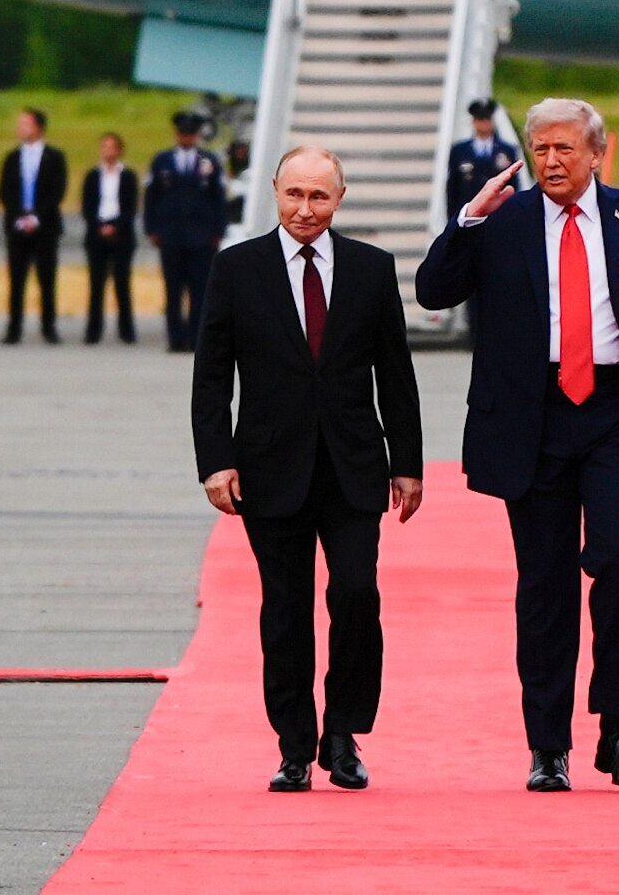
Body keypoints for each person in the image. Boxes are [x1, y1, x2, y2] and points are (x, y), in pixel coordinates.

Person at [414, 97, 619, 792]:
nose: (551, 161)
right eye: (540, 149)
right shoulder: (504, 222)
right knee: (543, 586)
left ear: (597, 153)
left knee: (616, 564)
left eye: (565, 149)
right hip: (532, 417)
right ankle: (548, 745)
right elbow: (433, 290)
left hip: (618, 413)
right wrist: (467, 220)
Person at [191, 145, 424, 792]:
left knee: (356, 594)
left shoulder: (372, 270)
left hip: (353, 469)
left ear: (339, 199)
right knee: (285, 609)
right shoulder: (237, 269)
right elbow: (212, 377)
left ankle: (343, 735)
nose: (305, 209)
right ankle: (294, 746)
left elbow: (395, 375)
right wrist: (216, 462)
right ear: (274, 191)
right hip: (269, 470)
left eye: (319, 197)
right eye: (294, 195)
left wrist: (407, 463)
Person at [147, 112, 229, 353]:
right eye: (183, 133)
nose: (186, 138)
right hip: (170, 235)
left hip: (201, 236)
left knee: (200, 290)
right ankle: (175, 337)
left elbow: (218, 198)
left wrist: (218, 229)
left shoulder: (209, 161)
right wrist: (151, 228)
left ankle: (196, 338)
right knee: (172, 290)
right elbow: (152, 196)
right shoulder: (162, 161)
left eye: (190, 134)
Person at [0, 107, 69, 344]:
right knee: (16, 279)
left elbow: (57, 191)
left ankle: (49, 326)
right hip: (18, 226)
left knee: (46, 279)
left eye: (26, 124)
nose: (21, 129)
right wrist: (20, 217)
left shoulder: (54, 157)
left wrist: (37, 217)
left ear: (39, 128)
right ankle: (14, 328)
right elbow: (5, 190)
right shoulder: (12, 158)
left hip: (45, 227)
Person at [80, 132, 140, 347]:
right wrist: (100, 227)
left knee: (122, 283)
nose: (108, 151)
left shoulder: (128, 176)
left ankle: (127, 331)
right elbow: (87, 207)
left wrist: (115, 227)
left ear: (119, 150)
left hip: (121, 234)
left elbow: (130, 206)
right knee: (96, 284)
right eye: (104, 146)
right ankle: (93, 331)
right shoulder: (92, 176)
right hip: (97, 234)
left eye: (112, 147)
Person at [444, 97, 519, 224]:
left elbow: (514, 186)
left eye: (487, 119)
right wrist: (453, 220)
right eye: (480, 119)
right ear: (473, 121)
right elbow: (453, 187)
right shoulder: (460, 150)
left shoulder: (506, 150)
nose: (484, 124)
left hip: (498, 216)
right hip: (469, 215)